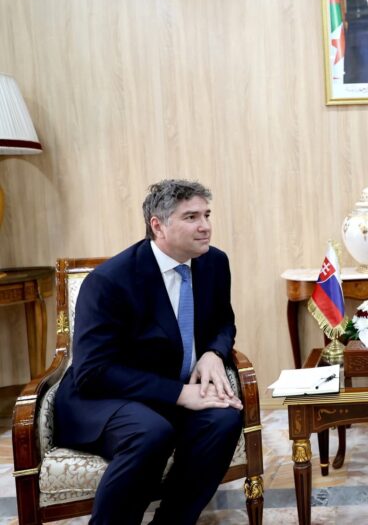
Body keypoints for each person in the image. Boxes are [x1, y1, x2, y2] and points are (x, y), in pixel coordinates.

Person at [54, 179, 244, 525]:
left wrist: (213, 353)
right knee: (151, 433)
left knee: (224, 419)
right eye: (191, 217)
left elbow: (223, 322)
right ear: (158, 225)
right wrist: (179, 393)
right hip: (104, 398)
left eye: (206, 214)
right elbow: (93, 372)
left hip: (167, 394)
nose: (205, 226)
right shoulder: (110, 281)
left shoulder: (214, 263)